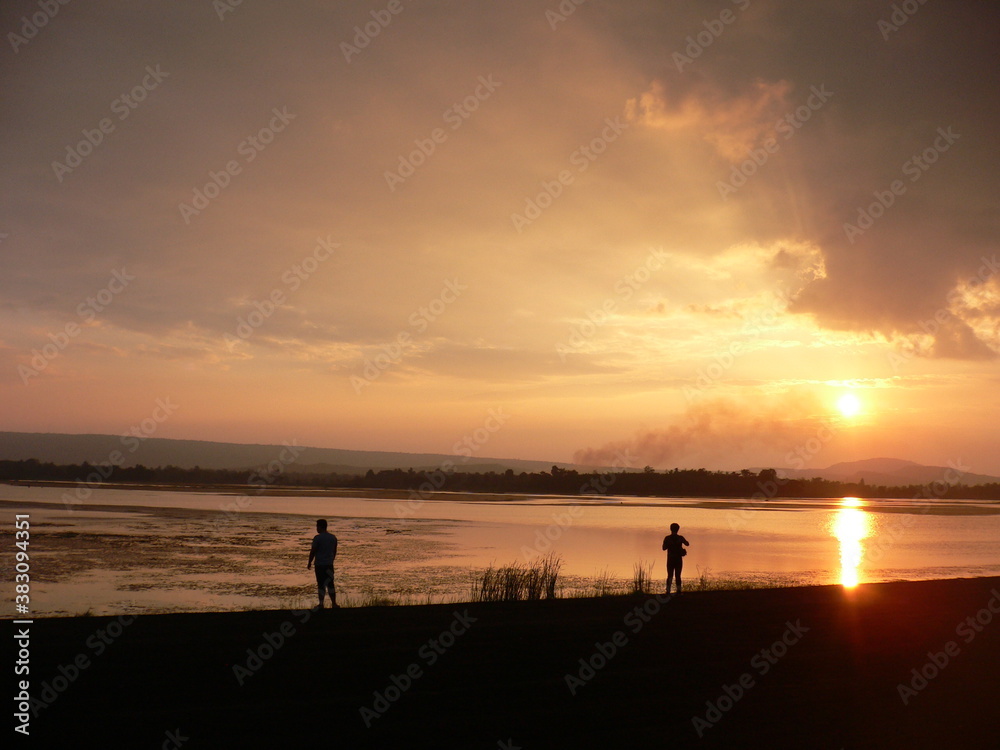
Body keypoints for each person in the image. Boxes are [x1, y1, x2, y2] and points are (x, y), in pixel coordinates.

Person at [307, 519, 338, 609]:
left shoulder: (317, 538)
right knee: (330, 584)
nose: (317, 528)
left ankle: (321, 604)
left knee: (321, 584)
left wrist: (309, 562)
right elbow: (334, 551)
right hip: (329, 564)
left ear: (320, 527)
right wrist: (331, 560)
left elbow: (313, 551)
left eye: (317, 526)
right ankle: (334, 603)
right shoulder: (333, 538)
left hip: (320, 565)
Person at [662, 522, 690, 595]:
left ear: (670, 529)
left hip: (670, 559)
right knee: (678, 575)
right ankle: (678, 591)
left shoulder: (667, 538)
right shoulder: (680, 538)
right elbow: (687, 544)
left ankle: (668, 591)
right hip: (678, 560)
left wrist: (669, 544)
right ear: (678, 529)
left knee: (670, 575)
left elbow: (663, 548)